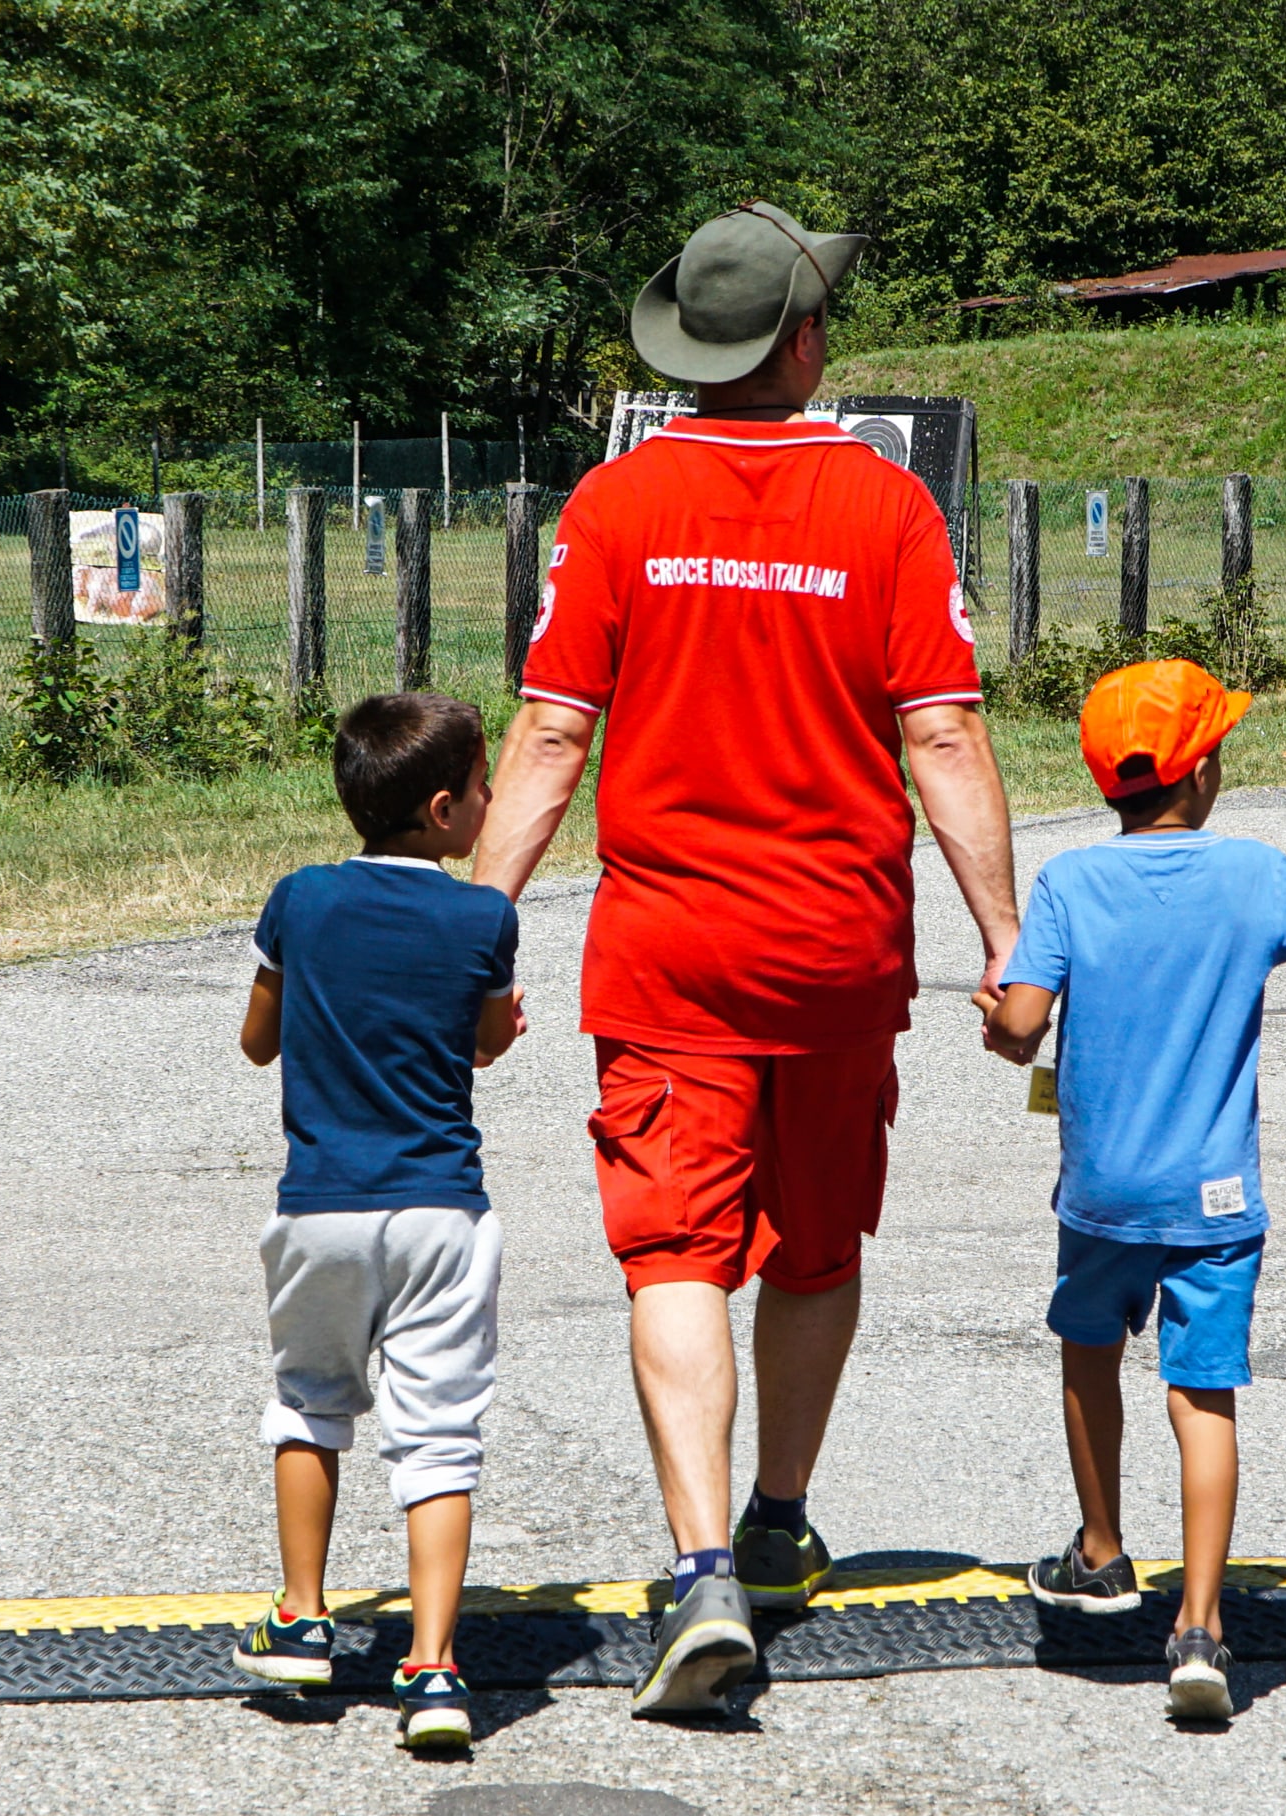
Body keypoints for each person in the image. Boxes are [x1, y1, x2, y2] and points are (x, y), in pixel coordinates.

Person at [472, 203, 1020, 1719]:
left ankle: (702, 1562)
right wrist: (1006, 941)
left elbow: (552, 731)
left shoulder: (616, 507)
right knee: (818, 1242)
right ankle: (782, 1516)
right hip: (841, 950)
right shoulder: (889, 509)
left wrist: (478, 921)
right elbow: (945, 732)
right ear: (803, 340)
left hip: (669, 953)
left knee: (675, 1254)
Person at [976, 659, 1286, 1722]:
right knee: (1203, 1391)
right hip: (1217, 1200)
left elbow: (1017, 1031)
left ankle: (1101, 1550)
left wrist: (999, 1014)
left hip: (1099, 1192)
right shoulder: (1257, 874)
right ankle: (1200, 1626)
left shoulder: (1068, 884)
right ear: (1202, 770)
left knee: (1089, 1350)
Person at [230, 692, 526, 1756]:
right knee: (440, 1431)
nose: (493, 799)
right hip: (443, 1207)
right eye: (484, 785)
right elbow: (487, 1039)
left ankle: (304, 1615)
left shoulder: (299, 901)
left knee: (309, 1402)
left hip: (321, 1210)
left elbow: (260, 1041)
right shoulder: (485, 917)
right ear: (443, 810)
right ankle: (436, 1666)